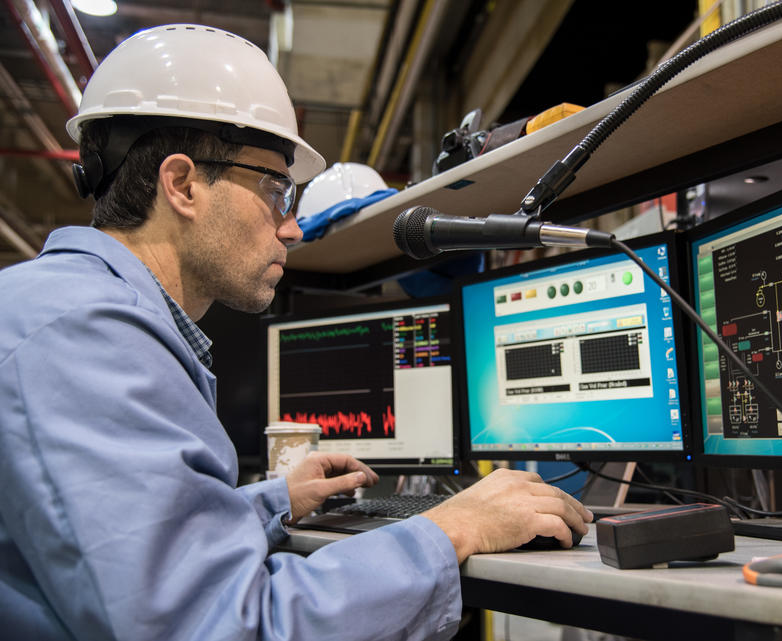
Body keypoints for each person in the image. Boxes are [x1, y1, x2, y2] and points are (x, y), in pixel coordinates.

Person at [0, 24, 591, 641]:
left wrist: (273, 499)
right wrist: (453, 528)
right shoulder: (85, 336)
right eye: (275, 191)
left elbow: (138, 550)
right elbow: (222, 627)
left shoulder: (64, 310)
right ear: (182, 185)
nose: (294, 229)